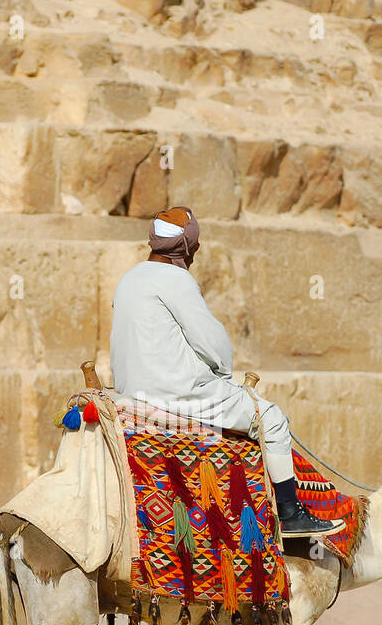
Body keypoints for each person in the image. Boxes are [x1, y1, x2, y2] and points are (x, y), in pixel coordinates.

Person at [109, 206, 343, 538]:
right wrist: (221, 372)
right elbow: (212, 344)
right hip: (176, 394)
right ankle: (290, 515)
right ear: (189, 249)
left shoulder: (128, 278)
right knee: (272, 419)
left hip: (132, 389)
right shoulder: (177, 280)